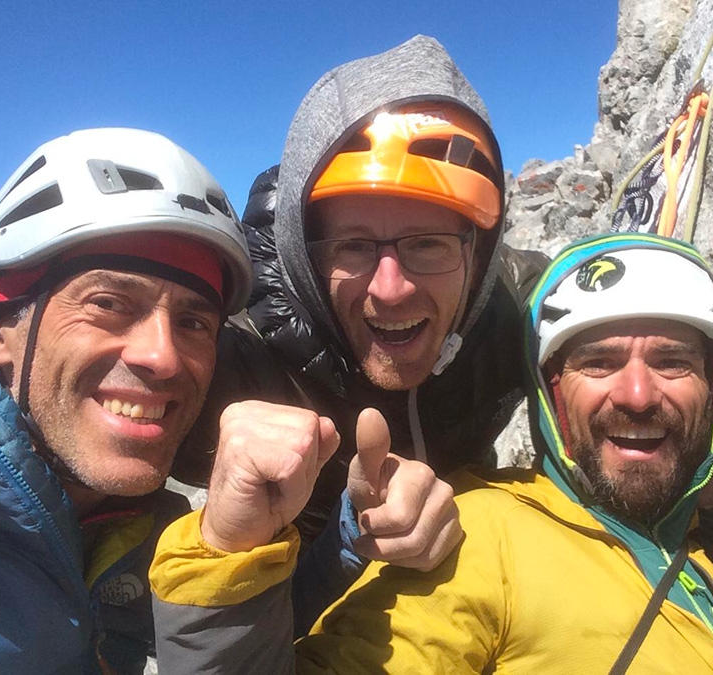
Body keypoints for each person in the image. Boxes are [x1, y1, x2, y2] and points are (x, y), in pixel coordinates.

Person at [150, 232, 713, 674]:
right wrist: (229, 548)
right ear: (552, 394)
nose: (640, 392)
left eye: (674, 360)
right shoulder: (485, 535)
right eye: (599, 361)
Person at [169, 36, 548, 628]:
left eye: (429, 243)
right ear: (304, 254)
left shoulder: (515, 309)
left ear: (478, 253)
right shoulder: (229, 354)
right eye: (354, 246)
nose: (390, 288)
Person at [0, 127, 276, 674]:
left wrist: (350, 547)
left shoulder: (154, 532)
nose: (163, 357)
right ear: (0, 326)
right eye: (108, 302)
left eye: (194, 321)